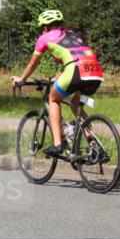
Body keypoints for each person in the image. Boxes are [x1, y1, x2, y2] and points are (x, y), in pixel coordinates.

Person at [11, 9, 104, 157]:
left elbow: (32, 64)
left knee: (53, 99)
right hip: (95, 72)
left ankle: (57, 144)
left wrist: (21, 79)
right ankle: (95, 147)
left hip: (76, 71)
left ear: (45, 27)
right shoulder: (73, 35)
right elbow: (73, 59)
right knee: (76, 105)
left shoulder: (45, 37)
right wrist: (56, 77)